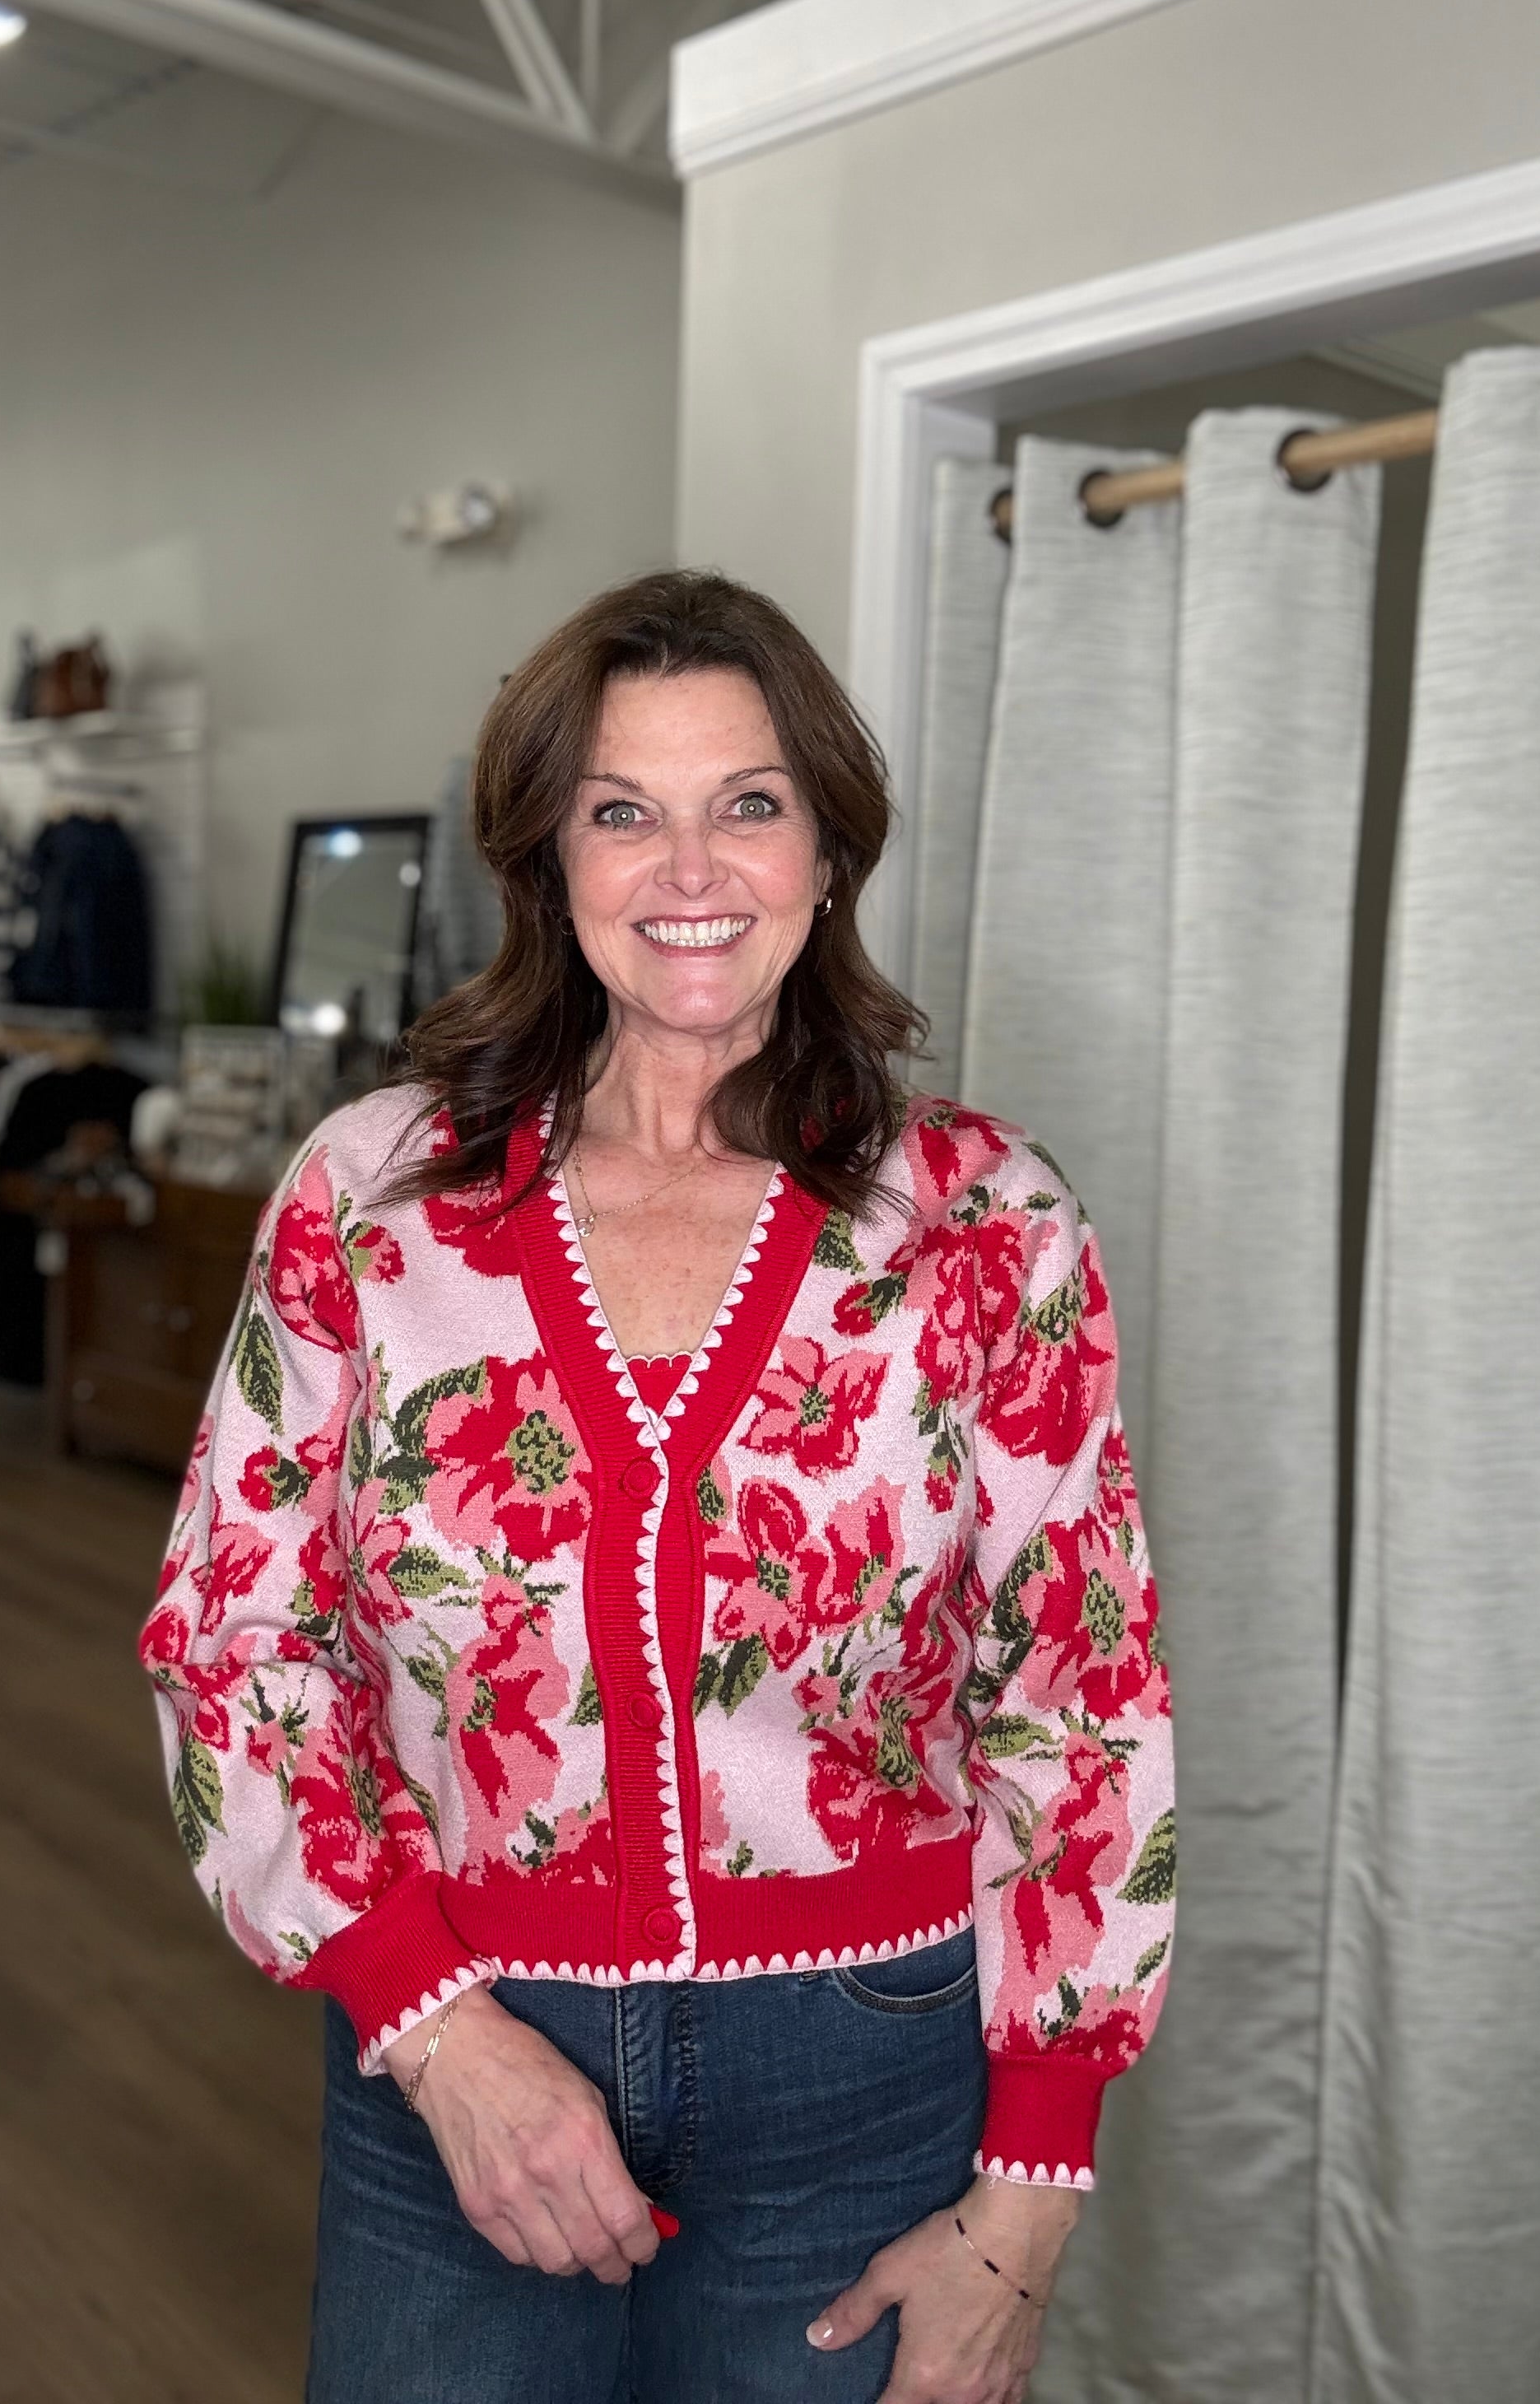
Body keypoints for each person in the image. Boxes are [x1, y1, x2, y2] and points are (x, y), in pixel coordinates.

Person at [141, 570, 1175, 2404]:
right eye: (624, 810)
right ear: (550, 861)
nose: (690, 867)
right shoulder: (376, 1198)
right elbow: (236, 1634)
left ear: (826, 850)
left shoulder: (984, 1221)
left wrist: (1027, 2205)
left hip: (864, 2081)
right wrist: (434, 2025)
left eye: (748, 803)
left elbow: (1080, 1695)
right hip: (459, 2050)